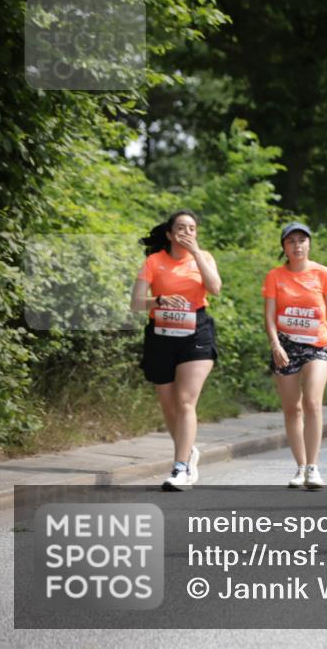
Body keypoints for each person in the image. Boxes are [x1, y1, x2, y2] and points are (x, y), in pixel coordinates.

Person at [130, 210, 221, 491]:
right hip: (161, 334)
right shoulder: (154, 261)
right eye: (181, 228)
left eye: (192, 228)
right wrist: (158, 300)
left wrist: (196, 255)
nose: (187, 232)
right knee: (169, 406)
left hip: (196, 331)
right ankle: (188, 451)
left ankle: (180, 468)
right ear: (169, 234)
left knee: (184, 402)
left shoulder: (203, 258)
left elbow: (215, 288)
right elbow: (135, 303)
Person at [264, 222, 327, 489]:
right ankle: (300, 467)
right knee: (293, 408)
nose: (297, 245)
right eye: (291, 241)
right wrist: (275, 345)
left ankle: (313, 467)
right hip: (286, 347)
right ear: (284, 247)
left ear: (309, 244)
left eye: (302, 240)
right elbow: (268, 317)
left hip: (318, 346)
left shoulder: (322, 274)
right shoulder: (275, 276)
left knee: (312, 401)